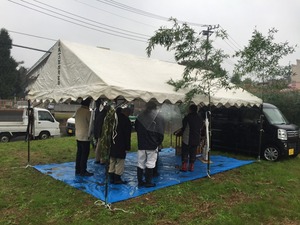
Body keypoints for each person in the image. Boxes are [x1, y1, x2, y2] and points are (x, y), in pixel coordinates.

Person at [135, 101, 164, 187]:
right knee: (150, 163)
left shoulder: (140, 116)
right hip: (152, 144)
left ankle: (140, 181)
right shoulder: (157, 118)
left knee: (140, 163)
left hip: (142, 143)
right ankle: (148, 182)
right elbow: (160, 132)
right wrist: (158, 142)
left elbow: (136, 128)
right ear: (154, 108)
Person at [108, 107, 132, 184]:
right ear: (126, 112)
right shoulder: (126, 120)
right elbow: (127, 135)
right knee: (120, 161)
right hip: (121, 143)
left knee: (112, 160)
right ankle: (117, 178)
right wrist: (127, 146)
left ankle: (111, 176)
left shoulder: (113, 119)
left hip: (112, 142)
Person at [180, 104, 203, 172]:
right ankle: (191, 167)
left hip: (187, 138)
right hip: (196, 137)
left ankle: (184, 167)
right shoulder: (200, 117)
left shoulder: (187, 117)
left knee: (185, 152)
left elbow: (183, 127)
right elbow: (201, 126)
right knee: (193, 152)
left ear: (190, 110)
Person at [75, 97, 94, 176]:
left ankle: (78, 169)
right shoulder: (87, 112)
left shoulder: (78, 111)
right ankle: (83, 170)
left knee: (79, 153)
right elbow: (91, 124)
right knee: (84, 154)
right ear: (88, 104)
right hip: (85, 136)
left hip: (78, 135)